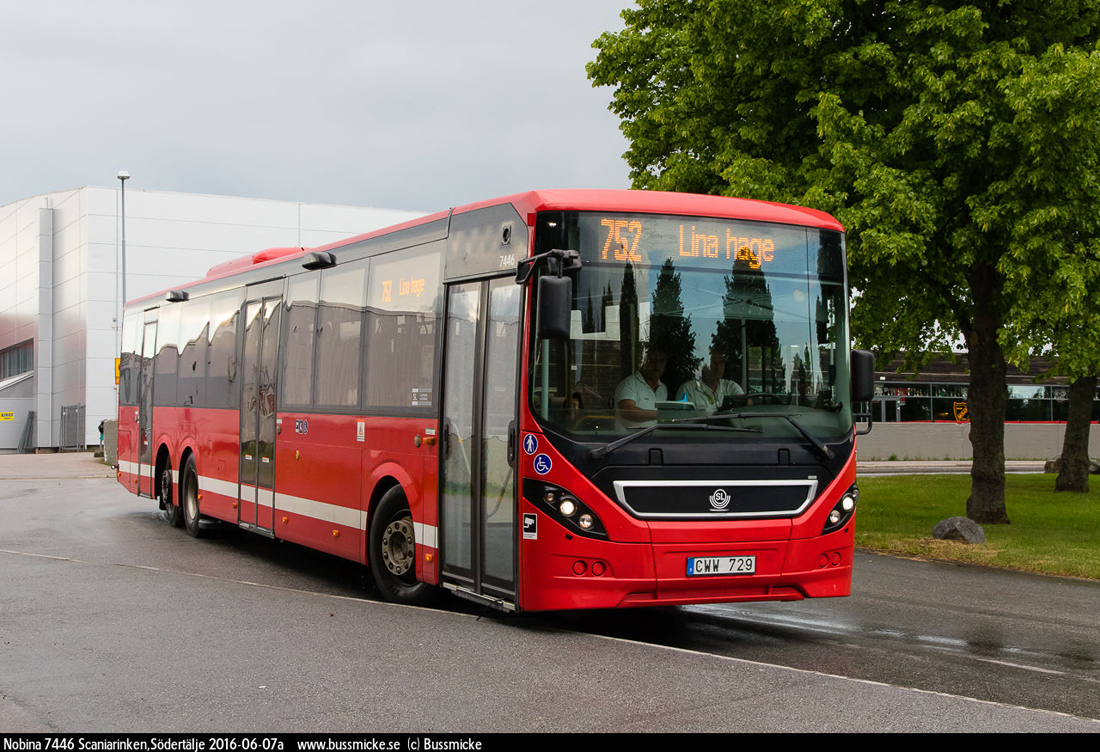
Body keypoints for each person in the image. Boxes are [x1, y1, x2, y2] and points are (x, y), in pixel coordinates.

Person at [676, 348, 743, 414]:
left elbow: (746, 402)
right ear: (704, 365)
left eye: (721, 362)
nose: (718, 367)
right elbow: (682, 419)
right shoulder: (688, 389)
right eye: (713, 362)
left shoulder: (730, 386)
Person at [614, 346, 668, 427]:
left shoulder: (663, 389)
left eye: (661, 361)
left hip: (655, 438)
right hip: (629, 438)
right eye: (652, 360)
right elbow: (627, 411)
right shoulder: (629, 383)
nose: (657, 365)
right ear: (644, 361)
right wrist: (660, 415)